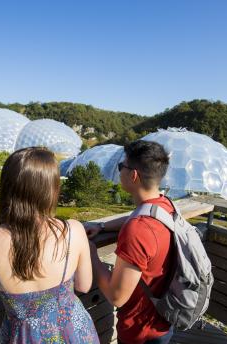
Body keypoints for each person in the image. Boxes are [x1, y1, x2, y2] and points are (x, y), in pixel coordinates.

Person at [0, 147, 100, 344]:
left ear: (6, 187)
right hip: (75, 332)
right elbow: (83, 285)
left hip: (24, 337)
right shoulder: (73, 230)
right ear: (52, 189)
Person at [85, 140, 174, 344]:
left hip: (141, 333)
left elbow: (117, 297)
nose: (119, 171)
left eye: (121, 167)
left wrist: (91, 255)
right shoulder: (165, 206)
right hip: (164, 320)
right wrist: (103, 227)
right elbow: (137, 216)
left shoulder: (138, 230)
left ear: (133, 175)